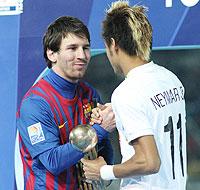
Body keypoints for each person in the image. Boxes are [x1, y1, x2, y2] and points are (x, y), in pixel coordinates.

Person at [81, 1, 187, 189]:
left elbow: (149, 162)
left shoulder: (127, 93)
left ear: (113, 44)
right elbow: (154, 111)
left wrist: (103, 171)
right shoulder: (170, 79)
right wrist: (115, 109)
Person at [15, 16, 114, 190]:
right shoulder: (35, 104)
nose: (82, 56)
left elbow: (103, 147)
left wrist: (103, 165)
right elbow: (52, 161)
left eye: (86, 48)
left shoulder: (89, 93)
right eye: (72, 48)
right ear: (51, 54)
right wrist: (99, 130)